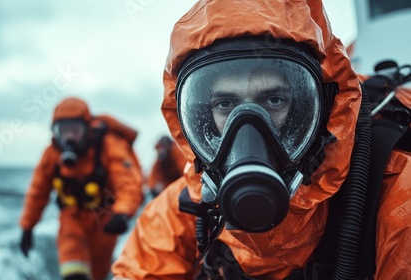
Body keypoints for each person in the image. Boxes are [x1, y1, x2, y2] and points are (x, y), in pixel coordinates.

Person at [111, 0, 411, 279]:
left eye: (274, 99)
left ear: (321, 108)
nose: (249, 133)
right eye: (225, 104)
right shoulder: (176, 217)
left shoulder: (395, 197)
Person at [19, 97, 144, 280]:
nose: (69, 137)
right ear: (56, 133)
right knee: (73, 271)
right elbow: (37, 191)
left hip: (104, 220)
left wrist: (123, 212)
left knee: (98, 273)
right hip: (71, 218)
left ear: (87, 129)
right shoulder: (52, 154)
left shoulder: (109, 145)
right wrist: (27, 227)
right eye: (63, 131)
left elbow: (128, 182)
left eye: (74, 130)